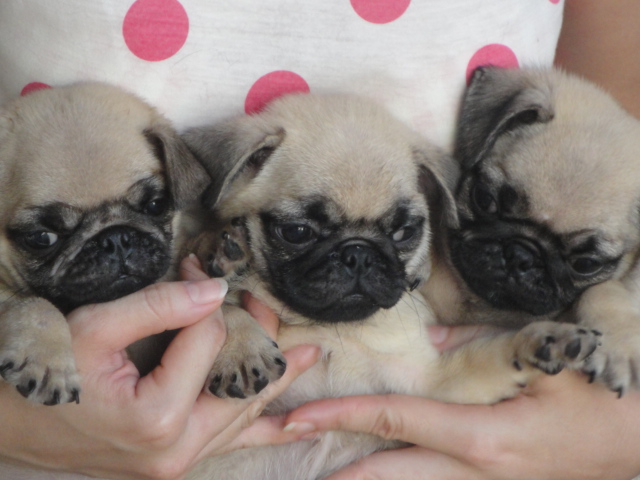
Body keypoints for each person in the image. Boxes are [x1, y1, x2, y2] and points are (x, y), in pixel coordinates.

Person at [1, 1, 639, 479]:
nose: (356, 261)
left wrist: (624, 433)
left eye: (399, 230)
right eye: (301, 231)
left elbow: (619, 120)